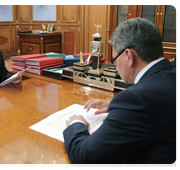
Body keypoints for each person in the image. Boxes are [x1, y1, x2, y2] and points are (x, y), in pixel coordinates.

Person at [63, 18, 178, 167]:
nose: (115, 65)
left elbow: (83, 158)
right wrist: (116, 106)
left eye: (115, 59)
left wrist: (76, 123)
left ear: (129, 56)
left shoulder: (136, 99)